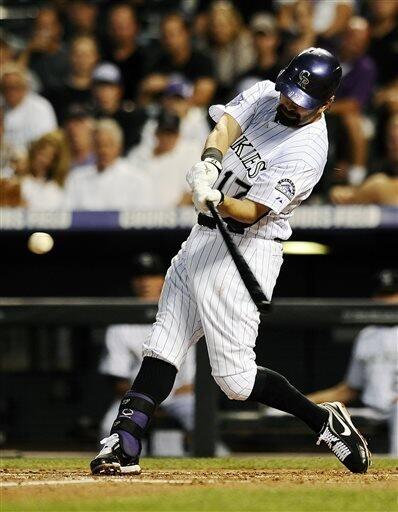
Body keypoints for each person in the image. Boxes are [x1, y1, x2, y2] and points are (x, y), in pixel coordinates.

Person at [90, 48, 371, 476]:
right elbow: (225, 126)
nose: (292, 104)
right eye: (290, 92)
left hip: (247, 247)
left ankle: (322, 419)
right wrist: (209, 164)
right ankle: (123, 443)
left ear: (328, 104)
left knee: (235, 381)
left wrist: (220, 198)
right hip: (204, 236)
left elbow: (255, 210)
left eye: (305, 101)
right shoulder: (265, 94)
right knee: (163, 347)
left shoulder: (309, 150)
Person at [99, 253, 195, 453]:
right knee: (108, 426)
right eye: (140, 277)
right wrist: (144, 404)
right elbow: (119, 381)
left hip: (179, 396)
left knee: (200, 418)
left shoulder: (184, 315)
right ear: (133, 283)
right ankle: (117, 461)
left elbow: (193, 381)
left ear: (164, 279)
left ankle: (220, 463)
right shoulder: (121, 324)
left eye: (152, 276)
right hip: (136, 395)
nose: (145, 282)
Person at [307, 270, 398, 456]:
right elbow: (349, 389)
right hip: (375, 411)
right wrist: (298, 402)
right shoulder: (366, 335)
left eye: (392, 295)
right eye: (382, 295)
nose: (386, 301)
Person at [64, 119, 149, 210]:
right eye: (98, 145)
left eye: (108, 145)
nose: (103, 150)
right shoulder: (77, 178)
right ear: (92, 147)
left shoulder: (137, 179)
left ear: (119, 147)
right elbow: (67, 212)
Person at [127, 110, 200, 209]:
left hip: (176, 217)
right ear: (156, 133)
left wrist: (172, 215)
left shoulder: (190, 152)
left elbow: (194, 190)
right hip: (140, 215)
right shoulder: (138, 155)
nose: (167, 138)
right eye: (163, 133)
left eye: (171, 134)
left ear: (178, 135)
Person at [140, 12, 216, 107]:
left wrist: (168, 83)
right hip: (163, 113)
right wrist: (146, 90)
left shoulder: (202, 61)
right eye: (165, 36)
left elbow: (203, 98)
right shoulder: (158, 62)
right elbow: (143, 99)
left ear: (186, 34)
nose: (168, 40)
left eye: (172, 34)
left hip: (193, 115)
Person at [91, 63, 148, 152]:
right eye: (100, 87)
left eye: (110, 88)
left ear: (119, 90)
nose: (104, 93)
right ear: (93, 91)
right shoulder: (90, 118)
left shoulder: (132, 117)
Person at [1, 63, 57, 151]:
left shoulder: (41, 107)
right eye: (6, 87)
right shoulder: (1, 107)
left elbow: (47, 143)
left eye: (15, 86)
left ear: (25, 86)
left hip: (33, 160)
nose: (11, 92)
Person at [45, 35, 99, 124]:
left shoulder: (102, 91)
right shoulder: (55, 93)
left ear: (95, 57)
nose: (82, 60)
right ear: (70, 56)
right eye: (77, 54)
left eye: (87, 55)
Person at [19, 6, 69, 92]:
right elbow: (15, 76)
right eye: (40, 26)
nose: (43, 32)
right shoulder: (30, 53)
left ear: (58, 28)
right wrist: (28, 51)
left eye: (48, 26)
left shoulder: (68, 53)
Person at [20, 130, 69, 210]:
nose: (41, 159)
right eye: (40, 153)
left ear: (55, 162)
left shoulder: (55, 190)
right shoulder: (18, 181)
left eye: (48, 157)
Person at [235, 13, 281, 94]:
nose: (260, 41)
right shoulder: (245, 75)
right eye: (256, 36)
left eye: (264, 36)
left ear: (275, 39)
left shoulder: (285, 73)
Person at [63, 104, 96, 172]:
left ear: (92, 128)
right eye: (70, 122)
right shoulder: (59, 161)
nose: (74, 129)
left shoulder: (101, 158)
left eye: (80, 122)